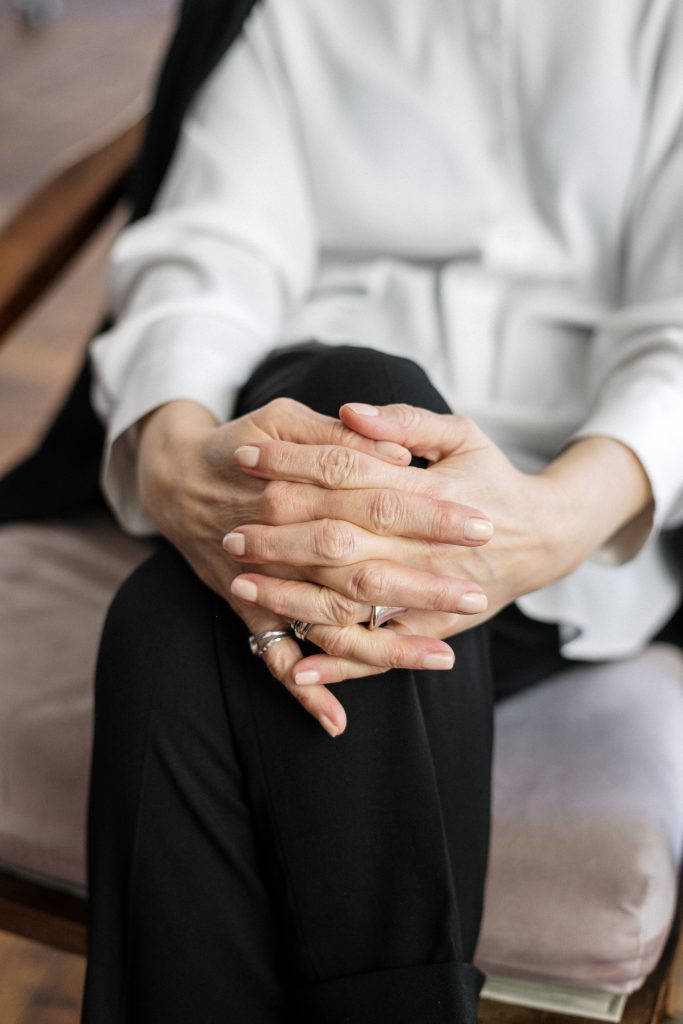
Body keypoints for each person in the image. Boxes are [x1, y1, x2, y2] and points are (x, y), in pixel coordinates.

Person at [80, 2, 683, 1021]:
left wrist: (542, 525)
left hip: (565, 510)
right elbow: (207, 257)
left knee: (162, 631)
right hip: (281, 474)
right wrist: (174, 463)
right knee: (362, 387)